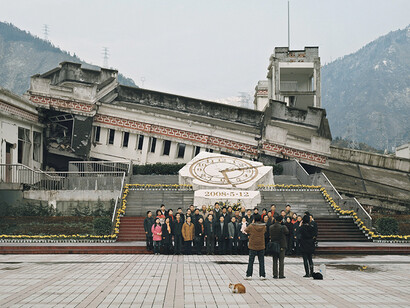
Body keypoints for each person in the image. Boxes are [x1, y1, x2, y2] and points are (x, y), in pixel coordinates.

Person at [244, 214, 266, 280]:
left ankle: (249, 275)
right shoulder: (264, 226)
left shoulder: (251, 226)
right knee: (261, 261)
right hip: (261, 245)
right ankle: (262, 275)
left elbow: (246, 230)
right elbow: (265, 232)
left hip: (252, 245)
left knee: (251, 261)